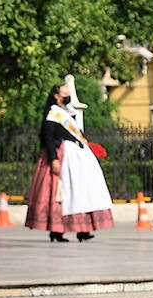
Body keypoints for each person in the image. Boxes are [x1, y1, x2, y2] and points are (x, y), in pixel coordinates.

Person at [25, 81, 114, 242]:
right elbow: (48, 138)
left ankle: (84, 228)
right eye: (65, 94)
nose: (67, 97)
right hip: (62, 156)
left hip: (77, 158)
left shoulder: (70, 112)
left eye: (69, 94)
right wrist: (53, 159)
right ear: (56, 96)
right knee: (60, 194)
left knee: (83, 191)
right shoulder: (53, 114)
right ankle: (57, 230)